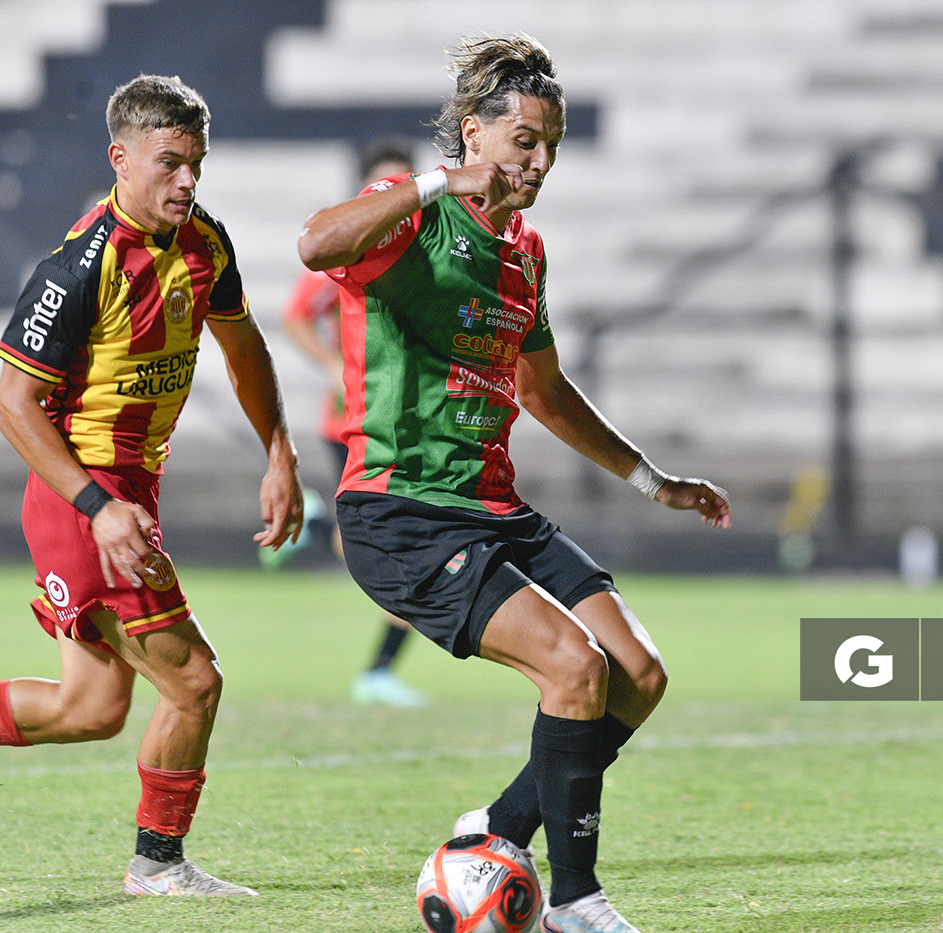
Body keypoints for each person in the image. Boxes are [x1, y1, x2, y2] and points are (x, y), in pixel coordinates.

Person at [297, 34, 730, 933]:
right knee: (574, 667)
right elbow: (313, 244)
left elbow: (545, 391)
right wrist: (432, 184)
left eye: (552, 148)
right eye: (524, 141)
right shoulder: (412, 211)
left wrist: (654, 480)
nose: (538, 163)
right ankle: (574, 901)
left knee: (638, 675)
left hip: (494, 509)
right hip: (403, 510)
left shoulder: (525, 252)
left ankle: (495, 831)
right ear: (474, 133)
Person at [0, 74, 304, 897]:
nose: (187, 182)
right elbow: (13, 404)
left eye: (196, 164)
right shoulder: (78, 266)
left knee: (89, 707)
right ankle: (158, 865)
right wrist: (96, 506)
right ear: (120, 159)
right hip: (82, 496)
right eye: (169, 164)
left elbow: (246, 351)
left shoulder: (206, 242)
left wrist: (280, 451)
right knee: (195, 679)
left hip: (130, 493)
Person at [276, 137, 428, 708]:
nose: (392, 196)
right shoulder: (351, 246)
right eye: (381, 185)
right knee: (398, 549)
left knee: (390, 547)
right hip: (353, 421)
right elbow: (295, 318)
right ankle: (379, 672)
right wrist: (333, 366)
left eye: (402, 184)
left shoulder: (425, 248)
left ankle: (311, 524)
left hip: (407, 420)